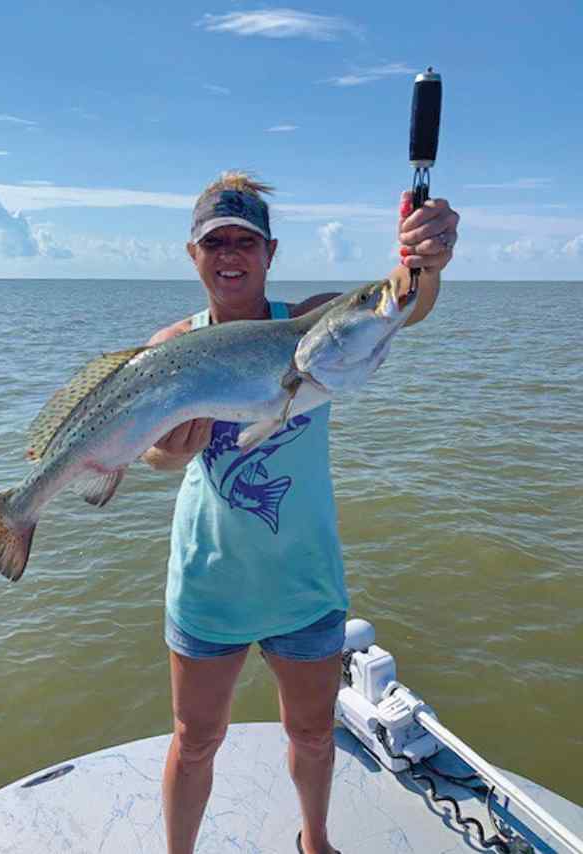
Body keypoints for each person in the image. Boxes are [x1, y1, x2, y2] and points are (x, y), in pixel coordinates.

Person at [143, 172, 460, 854]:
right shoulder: (171, 346)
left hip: (305, 577)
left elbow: (400, 303)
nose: (231, 253)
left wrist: (423, 262)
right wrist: (169, 452)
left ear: (270, 251)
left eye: (246, 241)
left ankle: (315, 843)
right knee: (194, 741)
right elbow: (150, 458)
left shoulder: (313, 323)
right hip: (209, 579)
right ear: (193, 254)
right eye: (215, 241)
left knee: (314, 735)